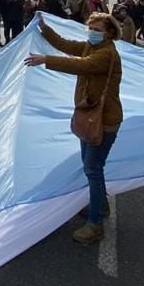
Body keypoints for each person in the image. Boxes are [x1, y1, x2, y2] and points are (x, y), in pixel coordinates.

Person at [24, 12, 123, 245]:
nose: (93, 33)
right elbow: (66, 45)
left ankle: (95, 224)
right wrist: (44, 28)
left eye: (97, 29)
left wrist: (46, 60)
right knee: (91, 166)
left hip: (104, 120)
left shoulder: (106, 54)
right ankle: (101, 205)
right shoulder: (91, 46)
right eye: (91, 28)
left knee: (92, 168)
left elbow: (81, 66)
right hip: (89, 116)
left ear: (108, 32)